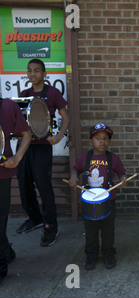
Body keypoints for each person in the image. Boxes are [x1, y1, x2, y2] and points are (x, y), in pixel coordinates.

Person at [15, 59, 70, 247]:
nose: (33, 74)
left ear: (44, 73)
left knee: (43, 186)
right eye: (30, 71)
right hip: (24, 146)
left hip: (42, 146)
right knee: (24, 184)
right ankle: (34, 218)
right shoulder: (24, 94)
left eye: (37, 71)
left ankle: (50, 226)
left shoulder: (52, 93)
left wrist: (60, 135)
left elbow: (66, 117)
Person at [69, 123, 127, 270]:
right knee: (91, 231)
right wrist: (74, 177)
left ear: (109, 141)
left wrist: (123, 179)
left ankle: (108, 253)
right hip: (89, 202)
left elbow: (122, 173)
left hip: (108, 201)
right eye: (97, 138)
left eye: (105, 138)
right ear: (90, 141)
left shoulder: (113, 158)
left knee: (108, 230)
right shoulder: (84, 158)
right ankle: (91, 254)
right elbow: (76, 170)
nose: (102, 141)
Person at [0, 98, 32, 285]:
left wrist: (17, 157)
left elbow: (26, 134)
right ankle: (6, 251)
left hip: (2, 173)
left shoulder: (8, 106)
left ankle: (1, 266)